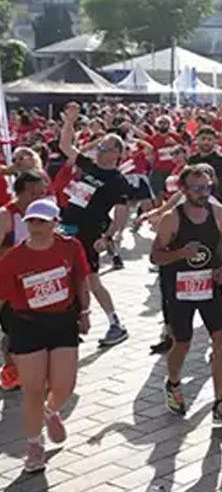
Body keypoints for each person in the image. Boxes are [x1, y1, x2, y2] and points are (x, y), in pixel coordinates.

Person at [150, 164, 222, 425]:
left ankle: (220, 402)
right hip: (179, 288)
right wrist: (181, 253)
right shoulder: (172, 218)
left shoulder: (218, 212)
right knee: (182, 342)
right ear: (183, 190)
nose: (203, 193)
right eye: (197, 189)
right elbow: (155, 256)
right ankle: (173, 383)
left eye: (207, 188)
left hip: (209, 286)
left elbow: (219, 246)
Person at [0, 199, 90, 473]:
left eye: (42, 221)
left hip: (62, 322)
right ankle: (34, 445)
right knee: (33, 389)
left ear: (55, 223)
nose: (36, 226)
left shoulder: (70, 247)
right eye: (31, 221)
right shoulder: (13, 258)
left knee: (64, 385)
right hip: (26, 324)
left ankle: (50, 411)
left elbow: (81, 278)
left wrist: (84, 310)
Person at [57, 102, 130, 347]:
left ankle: (115, 323)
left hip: (89, 233)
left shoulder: (116, 180)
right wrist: (69, 122)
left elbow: (121, 211)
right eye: (98, 146)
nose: (98, 150)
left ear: (116, 154)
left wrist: (109, 237)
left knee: (92, 280)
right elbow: (65, 146)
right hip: (67, 226)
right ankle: (71, 322)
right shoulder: (89, 166)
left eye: (103, 147)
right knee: (64, 276)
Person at [0, 171, 49, 391]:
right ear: (23, 192)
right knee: (12, 330)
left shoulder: (41, 215)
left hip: (35, 283)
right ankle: (11, 372)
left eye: (43, 194)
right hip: (8, 285)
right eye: (36, 194)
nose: (41, 199)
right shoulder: (5, 215)